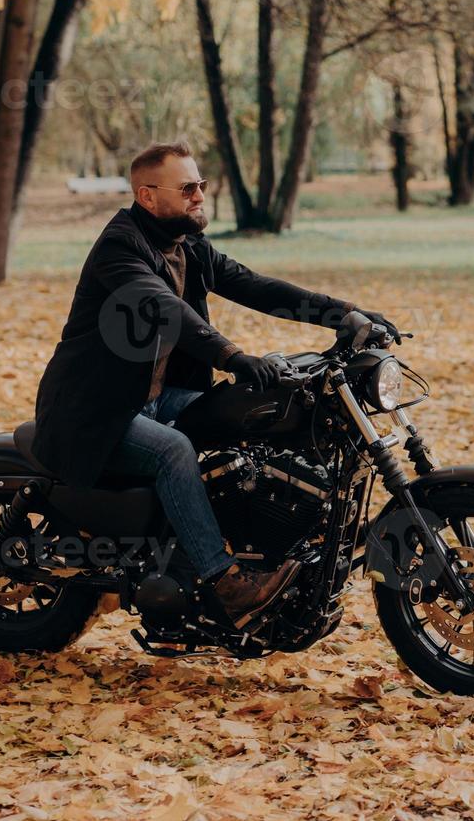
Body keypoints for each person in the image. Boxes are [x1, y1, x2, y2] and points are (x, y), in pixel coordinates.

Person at [30, 141, 399, 620]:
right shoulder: (119, 247)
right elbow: (163, 308)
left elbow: (256, 286)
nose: (199, 195)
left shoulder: (187, 246)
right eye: (186, 188)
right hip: (97, 411)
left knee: (256, 415)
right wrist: (232, 356)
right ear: (146, 196)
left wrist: (344, 313)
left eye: (200, 185)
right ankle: (224, 580)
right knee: (172, 451)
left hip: (156, 400)